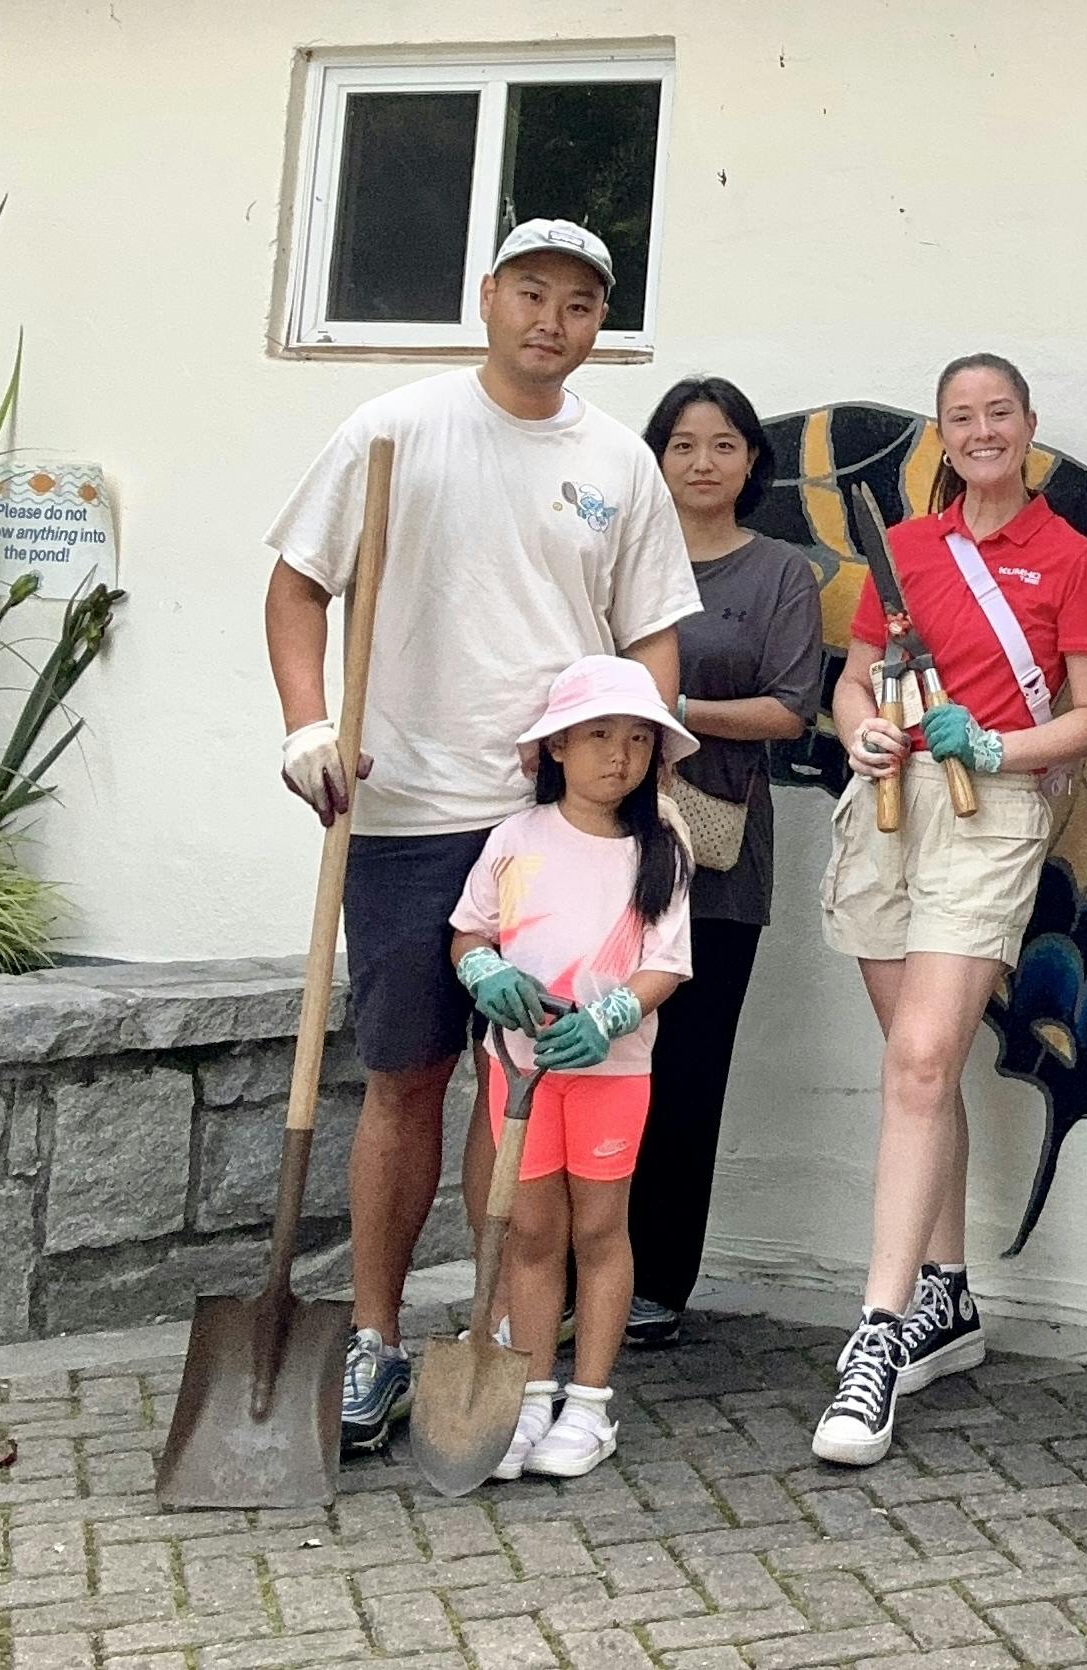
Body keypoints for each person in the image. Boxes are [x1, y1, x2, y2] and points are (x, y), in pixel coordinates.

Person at [262, 218, 696, 1455]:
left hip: (568, 817)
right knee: (406, 1073)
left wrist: (649, 775)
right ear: (489, 297)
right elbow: (298, 583)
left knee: (519, 1085)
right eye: (532, 293)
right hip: (406, 803)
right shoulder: (393, 430)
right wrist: (306, 726)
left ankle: (502, 1339)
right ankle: (377, 1337)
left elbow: (651, 631)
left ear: (597, 325)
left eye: (578, 305)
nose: (550, 321)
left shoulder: (619, 458)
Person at [813, 353, 1087, 1465]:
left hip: (992, 813)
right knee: (920, 1065)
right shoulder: (901, 549)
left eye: (1001, 412)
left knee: (920, 1058)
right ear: (940, 436)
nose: (983, 430)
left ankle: (876, 1334)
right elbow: (856, 674)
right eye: (963, 416)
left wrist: (996, 745)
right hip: (891, 807)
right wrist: (862, 725)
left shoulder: (1074, 560)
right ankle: (946, 1293)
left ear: (1029, 426)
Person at [446, 655, 695, 1478]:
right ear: (555, 747)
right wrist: (487, 977)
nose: (616, 757)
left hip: (611, 1076)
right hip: (519, 1073)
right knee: (532, 1230)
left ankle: (588, 1406)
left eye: (635, 740)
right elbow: (468, 934)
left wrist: (610, 1017)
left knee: (598, 1229)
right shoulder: (515, 839)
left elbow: (667, 963)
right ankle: (526, 1395)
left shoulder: (662, 848)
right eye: (596, 737)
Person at [623, 376, 826, 1350]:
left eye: (723, 444)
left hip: (716, 855)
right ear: (656, 457)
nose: (702, 462)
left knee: (686, 1070)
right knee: (603, 1060)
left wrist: (663, 709)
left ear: (752, 461)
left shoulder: (781, 572)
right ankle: (583, 1265)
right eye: (682, 444)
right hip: (606, 849)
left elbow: (791, 709)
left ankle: (659, 1279)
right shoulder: (624, 559)